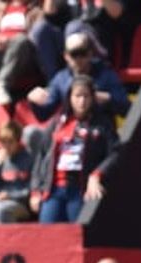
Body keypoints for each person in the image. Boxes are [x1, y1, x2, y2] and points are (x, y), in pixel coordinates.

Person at [29, 74, 118, 225]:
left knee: (76, 234)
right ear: (69, 97)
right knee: (46, 233)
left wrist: (97, 174)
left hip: (80, 188)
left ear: (92, 98)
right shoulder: (57, 123)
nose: (82, 101)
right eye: (77, 96)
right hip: (54, 188)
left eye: (86, 96)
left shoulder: (103, 124)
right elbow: (42, 157)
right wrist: (35, 190)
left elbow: (115, 152)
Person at [0, 119, 33, 222]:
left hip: (20, 204)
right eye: (3, 142)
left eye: (10, 142)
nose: (6, 146)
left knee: (2, 210)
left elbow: (32, 188)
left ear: (18, 141)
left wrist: (11, 195)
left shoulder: (29, 159)